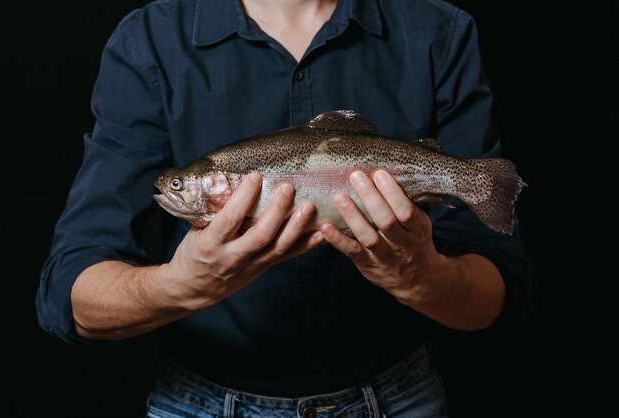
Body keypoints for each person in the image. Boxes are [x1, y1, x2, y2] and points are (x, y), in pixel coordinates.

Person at [37, 0, 535, 416]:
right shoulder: (147, 41)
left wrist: (422, 277)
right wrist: (182, 286)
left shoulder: (439, 32)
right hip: (197, 403)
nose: (177, 190)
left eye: (185, 184)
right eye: (181, 185)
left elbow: (501, 291)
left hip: (400, 399)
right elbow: (70, 296)